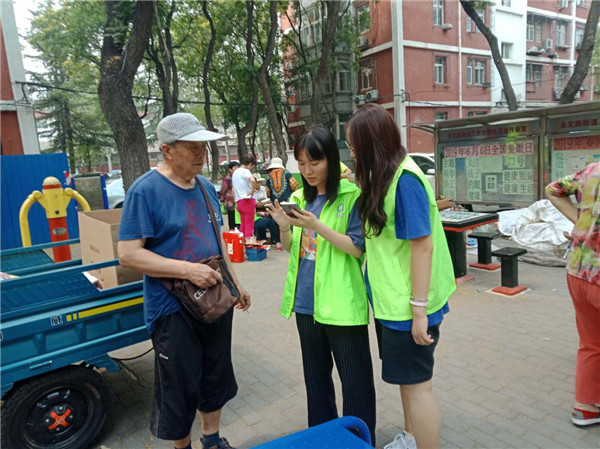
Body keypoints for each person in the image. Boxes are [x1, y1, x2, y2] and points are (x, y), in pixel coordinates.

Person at [117, 113, 251, 449]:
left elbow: (217, 241)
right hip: (172, 309)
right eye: (192, 147)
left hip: (216, 301)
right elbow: (129, 255)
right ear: (167, 150)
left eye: (203, 146)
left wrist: (235, 285)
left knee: (215, 375)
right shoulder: (144, 192)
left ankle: (212, 439)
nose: (201, 153)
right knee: (179, 386)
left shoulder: (205, 187)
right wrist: (187, 270)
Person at [345, 103, 456, 449]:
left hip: (410, 306)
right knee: (407, 384)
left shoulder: (406, 180)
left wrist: (419, 311)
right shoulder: (385, 176)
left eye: (353, 146)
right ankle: (411, 438)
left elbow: (423, 248)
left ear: (369, 146)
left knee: (419, 386)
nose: (350, 152)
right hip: (394, 303)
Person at [267, 125, 377, 445]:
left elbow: (357, 248)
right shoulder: (300, 197)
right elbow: (293, 250)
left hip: (342, 304)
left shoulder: (352, 196)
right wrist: (285, 228)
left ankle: (358, 441)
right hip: (306, 304)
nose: (307, 170)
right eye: (301, 163)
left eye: (314, 162)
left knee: (355, 384)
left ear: (330, 159)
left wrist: (317, 225)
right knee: (316, 383)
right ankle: (323, 440)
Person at [545, 162, 600, 427]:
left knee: (591, 343)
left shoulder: (592, 170)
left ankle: (586, 407)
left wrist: (580, 222)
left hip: (580, 271)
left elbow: (554, 189)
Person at [232, 154, 258, 241]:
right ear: (250, 164)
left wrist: (235, 200)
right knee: (249, 224)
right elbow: (253, 180)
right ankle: (249, 243)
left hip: (239, 201)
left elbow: (233, 189)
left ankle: (241, 243)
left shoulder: (235, 172)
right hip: (247, 200)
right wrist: (253, 191)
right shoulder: (246, 171)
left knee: (243, 223)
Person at [219, 161, 240, 230]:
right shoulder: (227, 179)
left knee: (239, 219)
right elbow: (223, 190)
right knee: (232, 218)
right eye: (235, 167)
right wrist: (222, 200)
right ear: (230, 169)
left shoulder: (239, 177)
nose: (237, 169)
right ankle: (232, 232)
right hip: (230, 201)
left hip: (239, 200)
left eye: (238, 167)